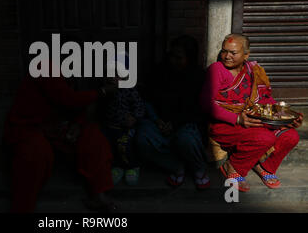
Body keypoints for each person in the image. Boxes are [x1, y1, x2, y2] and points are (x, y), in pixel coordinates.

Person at [3, 63, 117, 213]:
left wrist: (77, 124)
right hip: (30, 128)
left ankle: (99, 194)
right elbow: (68, 99)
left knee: (94, 137)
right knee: (35, 154)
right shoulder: (44, 67)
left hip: (58, 128)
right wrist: (102, 92)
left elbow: (78, 107)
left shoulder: (75, 73)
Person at [200, 33, 304, 192]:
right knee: (264, 138)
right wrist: (237, 119)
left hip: (253, 119)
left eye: (233, 53)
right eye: (224, 51)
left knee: (291, 136)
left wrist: (285, 117)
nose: (227, 56)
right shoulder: (216, 69)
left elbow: (265, 100)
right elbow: (207, 105)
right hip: (225, 123)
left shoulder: (253, 70)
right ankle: (233, 167)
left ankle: (265, 167)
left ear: (246, 55)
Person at [136, 35, 211, 190]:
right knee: (142, 138)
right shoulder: (159, 72)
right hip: (160, 123)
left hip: (185, 123)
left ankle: (198, 169)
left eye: (179, 57)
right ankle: (176, 165)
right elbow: (147, 99)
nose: (173, 60)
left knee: (186, 138)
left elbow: (198, 110)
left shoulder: (199, 77)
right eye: (172, 55)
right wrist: (157, 120)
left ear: (189, 58)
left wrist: (175, 123)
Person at [102, 52, 145, 186]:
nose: (113, 77)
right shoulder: (106, 90)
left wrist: (134, 118)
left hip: (125, 128)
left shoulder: (130, 90)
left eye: (117, 74)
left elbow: (140, 107)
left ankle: (132, 166)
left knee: (124, 146)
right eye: (110, 73)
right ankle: (118, 166)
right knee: (111, 147)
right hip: (110, 126)